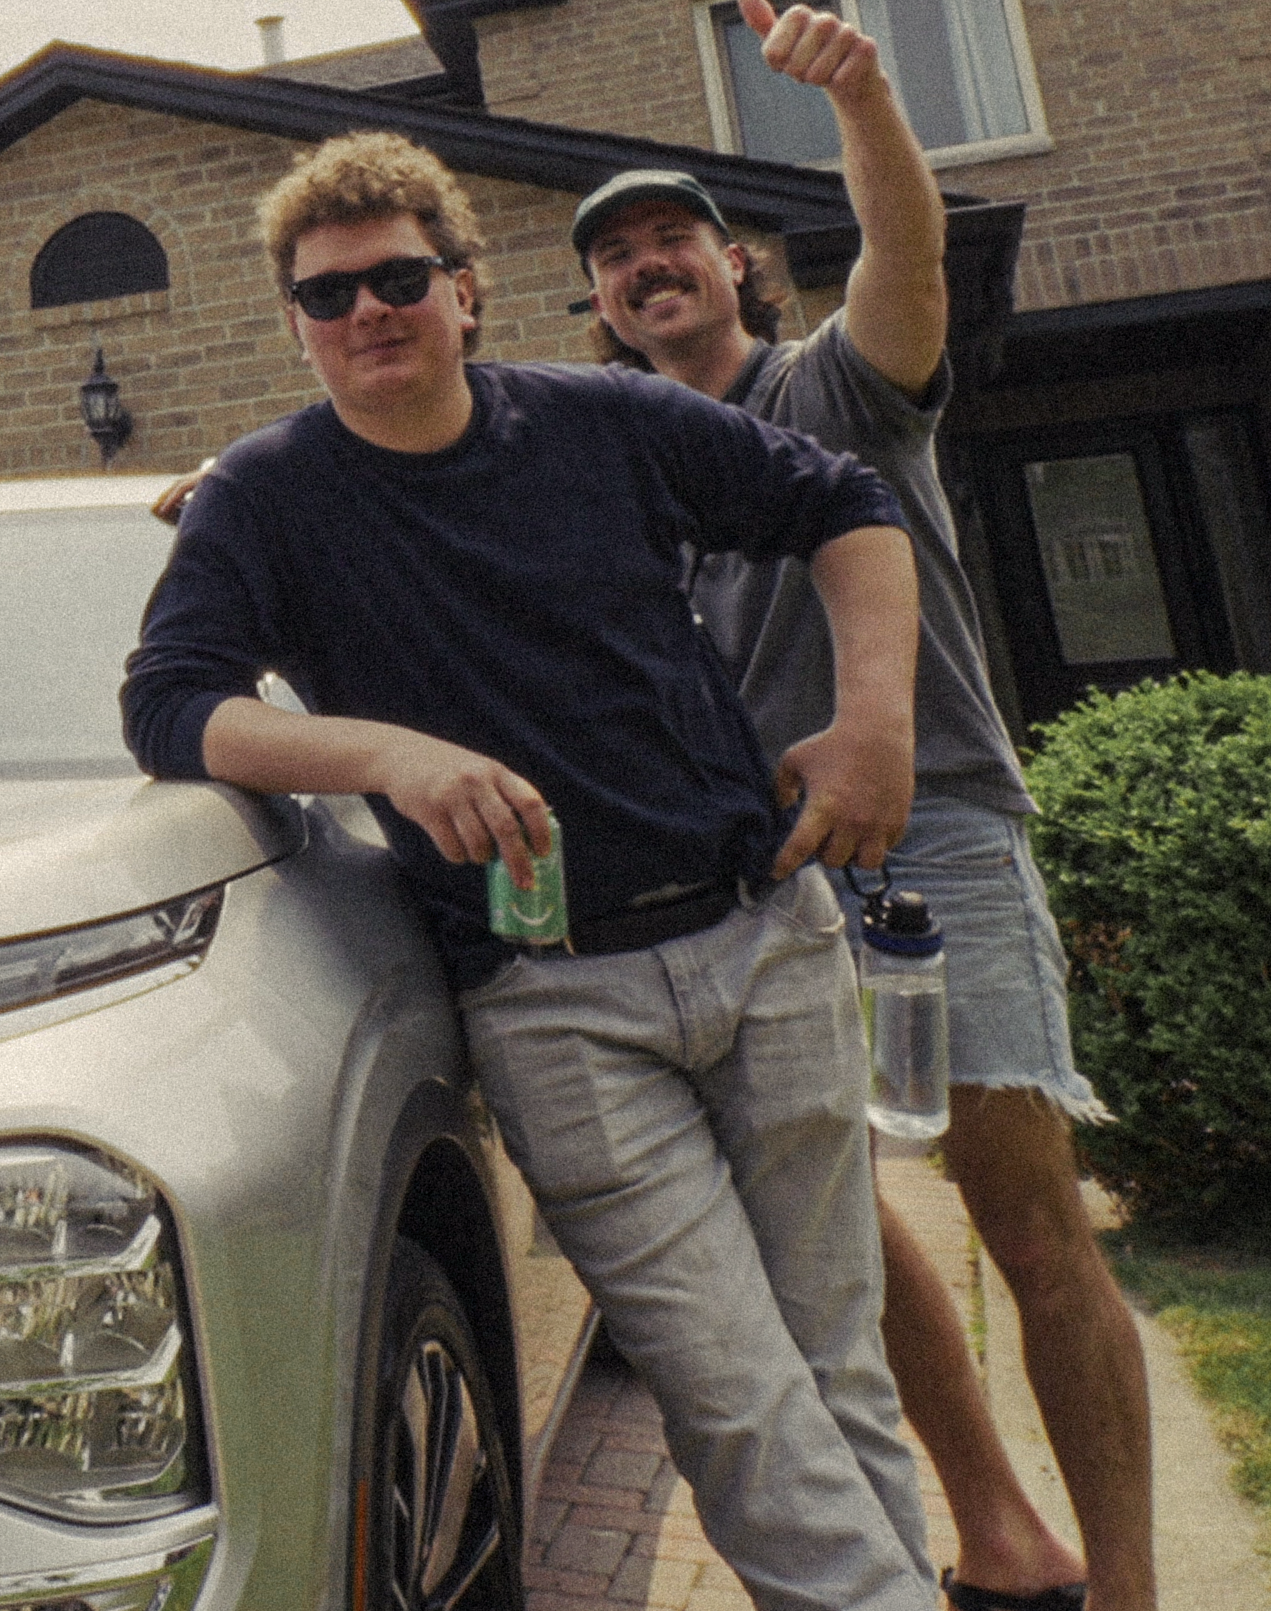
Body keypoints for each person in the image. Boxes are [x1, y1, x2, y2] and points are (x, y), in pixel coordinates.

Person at [123, 130, 937, 1611]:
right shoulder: (265, 498)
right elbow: (171, 708)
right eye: (329, 296)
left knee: (834, 1372)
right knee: (740, 1397)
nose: (368, 311)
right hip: (556, 1008)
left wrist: (873, 724)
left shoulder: (605, 420)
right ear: (293, 323)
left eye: (399, 278)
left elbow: (846, 507)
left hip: (769, 938)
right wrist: (390, 758)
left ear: (466, 287)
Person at [576, 0, 1150, 1611]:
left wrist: (863, 103)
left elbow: (910, 258)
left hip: (932, 834)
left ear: (736, 265)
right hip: (754, 875)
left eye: (674, 236)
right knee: (834, 1215)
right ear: (599, 308)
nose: (647, 264)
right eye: (616, 259)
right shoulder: (609, 472)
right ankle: (999, 1526)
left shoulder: (838, 387)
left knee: (1024, 1216)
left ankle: (1124, 1582)